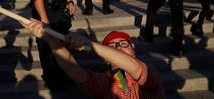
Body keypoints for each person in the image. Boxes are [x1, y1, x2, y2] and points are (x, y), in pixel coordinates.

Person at [21, 19, 165, 98]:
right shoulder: (105, 81)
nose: (119, 47)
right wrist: (50, 40)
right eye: (112, 46)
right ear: (106, 59)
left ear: (133, 52)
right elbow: (74, 71)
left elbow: (135, 67)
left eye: (123, 44)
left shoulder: (149, 73)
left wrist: (89, 44)